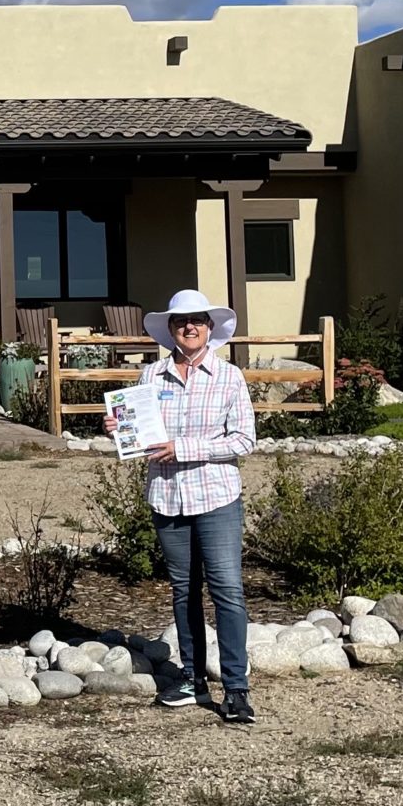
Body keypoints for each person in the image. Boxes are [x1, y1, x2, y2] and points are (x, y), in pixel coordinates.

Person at [103, 287, 257, 723]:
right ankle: (192, 678)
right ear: (170, 330)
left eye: (197, 320)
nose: (189, 327)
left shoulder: (229, 377)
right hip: (168, 497)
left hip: (216, 496)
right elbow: (137, 435)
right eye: (180, 321)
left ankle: (236, 688)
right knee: (184, 590)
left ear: (210, 328)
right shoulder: (151, 377)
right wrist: (118, 427)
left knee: (227, 592)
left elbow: (244, 440)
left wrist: (184, 448)